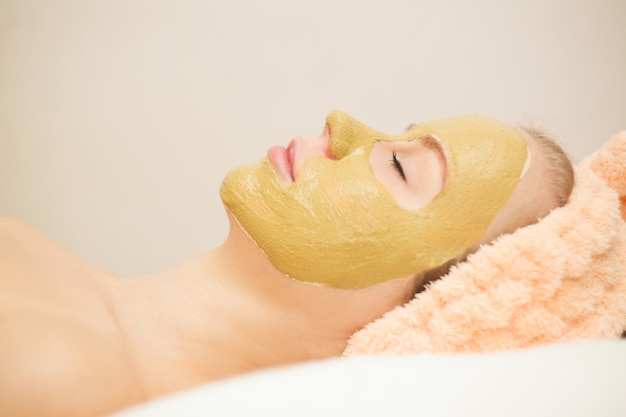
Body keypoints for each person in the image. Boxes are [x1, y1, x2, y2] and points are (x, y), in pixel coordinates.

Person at [0, 111, 574, 417]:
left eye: (401, 166)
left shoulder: (60, 378)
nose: (342, 123)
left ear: (428, 312)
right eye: (398, 133)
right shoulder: (34, 253)